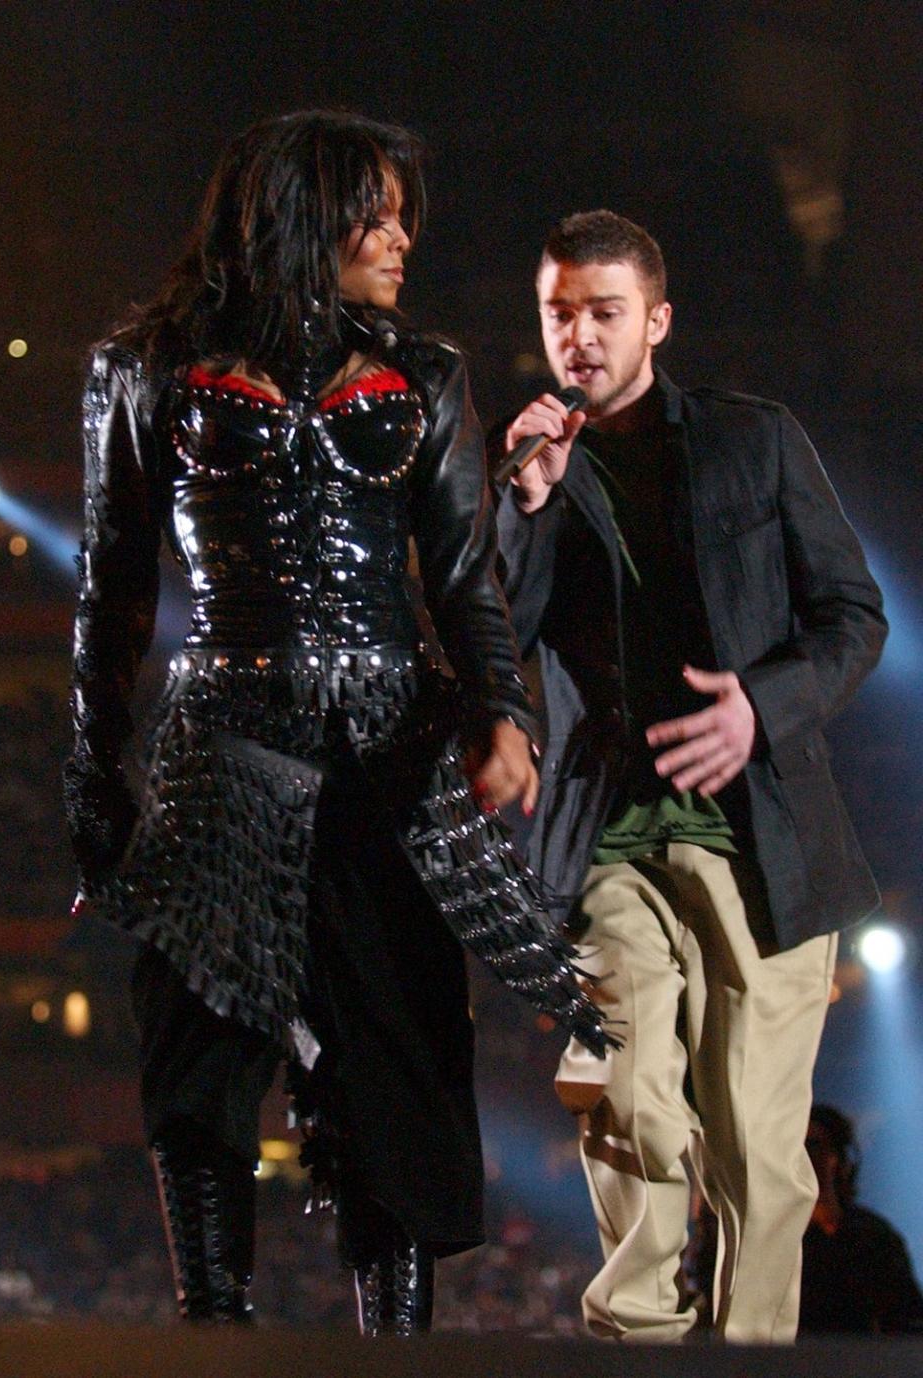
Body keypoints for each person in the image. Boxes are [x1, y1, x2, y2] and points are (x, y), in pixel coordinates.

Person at [63, 113, 617, 1335]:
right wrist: (92, 774)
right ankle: (214, 1329)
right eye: (375, 211)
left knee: (395, 1065)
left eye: (402, 210)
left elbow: (465, 575)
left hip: (390, 744)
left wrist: (501, 714)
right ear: (304, 219)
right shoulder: (145, 367)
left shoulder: (424, 373)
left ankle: (398, 1356)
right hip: (226, 739)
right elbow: (110, 588)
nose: (402, 235)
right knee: (202, 1056)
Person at [491, 209, 887, 1343]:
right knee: (624, 1096)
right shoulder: (524, 468)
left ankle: (750, 1352)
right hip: (603, 841)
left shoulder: (753, 441)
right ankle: (638, 1340)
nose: (578, 336)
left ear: (657, 320)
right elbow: (488, 637)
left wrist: (760, 706)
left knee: (764, 1156)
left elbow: (853, 618)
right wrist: (523, 503)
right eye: (559, 312)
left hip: (763, 841)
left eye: (603, 312)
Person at [799, 1104, 923, 1334]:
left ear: (838, 1158)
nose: (804, 1157)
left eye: (814, 1146)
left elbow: (907, 1317)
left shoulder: (874, 1237)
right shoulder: (771, 1239)